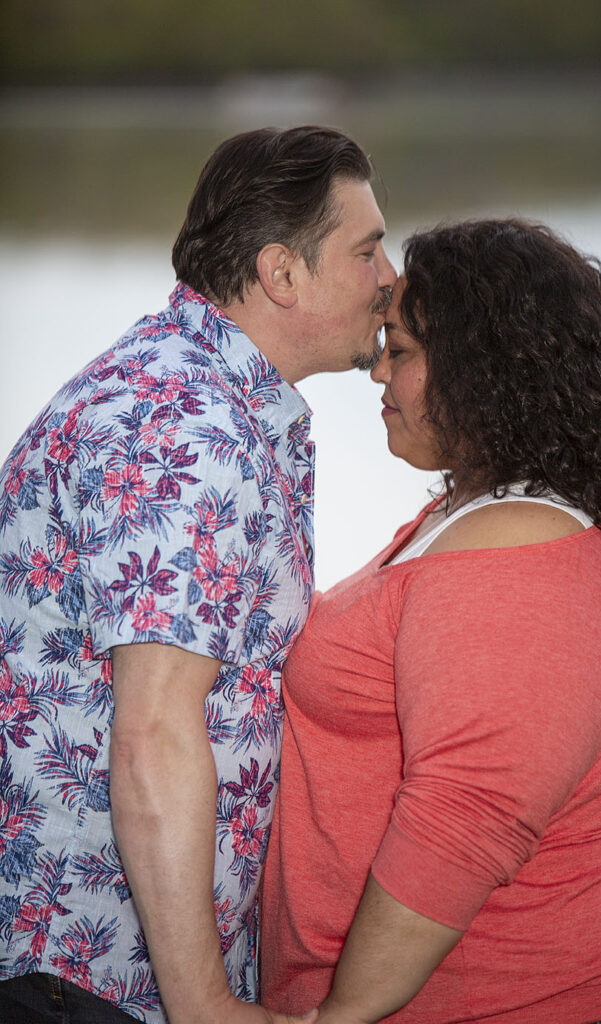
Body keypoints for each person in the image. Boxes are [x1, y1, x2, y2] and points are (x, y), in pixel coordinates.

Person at [0, 125, 396, 1024]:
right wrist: (206, 1006)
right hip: (84, 976)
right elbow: (154, 735)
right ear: (281, 273)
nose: (390, 278)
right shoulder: (180, 424)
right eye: (368, 249)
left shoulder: (205, 397)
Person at [260, 219, 601, 1023]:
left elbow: (464, 822)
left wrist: (345, 1013)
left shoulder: (522, 555)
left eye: (402, 350)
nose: (375, 369)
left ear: (487, 371)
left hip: (531, 1001)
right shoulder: (487, 514)